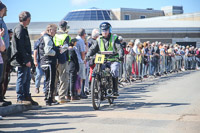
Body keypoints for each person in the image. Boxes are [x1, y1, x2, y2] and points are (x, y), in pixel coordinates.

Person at [86, 22, 124, 96]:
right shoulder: (98, 39)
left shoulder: (114, 38)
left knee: (114, 70)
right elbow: (93, 49)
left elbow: (119, 48)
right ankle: (97, 88)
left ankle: (115, 89)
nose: (104, 32)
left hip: (113, 58)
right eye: (103, 30)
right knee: (97, 70)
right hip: (102, 58)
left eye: (106, 30)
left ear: (109, 30)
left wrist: (121, 55)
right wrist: (88, 55)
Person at [10, 11, 38, 105]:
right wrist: (26, 60)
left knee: (27, 78)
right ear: (27, 19)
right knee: (22, 78)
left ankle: (26, 96)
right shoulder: (19, 29)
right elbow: (20, 47)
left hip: (25, 58)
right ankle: (20, 97)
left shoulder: (23, 28)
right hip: (21, 59)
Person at [39, 24, 59, 106]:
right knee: (50, 82)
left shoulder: (47, 38)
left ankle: (50, 99)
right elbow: (48, 51)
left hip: (47, 62)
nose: (56, 32)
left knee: (50, 81)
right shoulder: (47, 38)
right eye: (55, 30)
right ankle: (48, 99)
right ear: (50, 30)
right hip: (48, 62)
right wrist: (57, 51)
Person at [53, 20, 70, 103]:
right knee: (63, 79)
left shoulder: (54, 35)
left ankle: (52, 96)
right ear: (65, 27)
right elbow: (65, 47)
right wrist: (61, 52)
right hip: (62, 59)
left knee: (54, 78)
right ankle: (62, 97)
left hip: (53, 59)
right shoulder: (65, 36)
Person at [0, 2, 12, 106]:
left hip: (4, 51)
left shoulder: (2, 21)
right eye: (5, 9)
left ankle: (1, 97)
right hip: (1, 51)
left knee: (3, 76)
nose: (6, 11)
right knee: (0, 76)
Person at [75, 28, 88, 99]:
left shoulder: (75, 39)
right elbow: (83, 52)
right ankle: (80, 92)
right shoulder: (81, 41)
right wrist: (84, 60)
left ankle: (77, 92)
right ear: (84, 34)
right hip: (80, 61)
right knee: (82, 77)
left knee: (77, 77)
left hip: (75, 61)